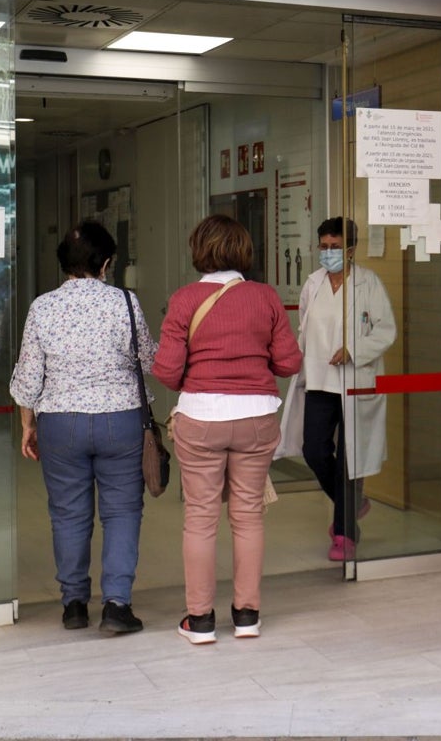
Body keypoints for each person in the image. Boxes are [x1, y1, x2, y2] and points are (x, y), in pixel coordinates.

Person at [152, 214, 302, 645]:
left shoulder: (184, 299)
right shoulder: (266, 297)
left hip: (201, 419)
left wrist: (200, 382)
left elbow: (166, 370)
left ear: (198, 251)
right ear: (244, 251)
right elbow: (289, 363)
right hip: (256, 418)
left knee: (200, 519)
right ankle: (247, 615)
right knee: (248, 515)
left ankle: (199, 621)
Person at [9, 221, 157, 636]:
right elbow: (148, 361)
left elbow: (27, 378)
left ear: (64, 265)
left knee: (69, 515)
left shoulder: (43, 307)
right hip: (121, 420)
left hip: (60, 423)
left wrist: (28, 425)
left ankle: (74, 604)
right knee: (122, 511)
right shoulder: (125, 303)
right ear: (106, 263)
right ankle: (116, 605)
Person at [276, 217, 396, 561]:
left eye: (335, 247)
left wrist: (353, 349)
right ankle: (354, 504)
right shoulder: (312, 283)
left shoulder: (368, 283)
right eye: (324, 247)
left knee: (348, 458)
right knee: (314, 450)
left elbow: (386, 331)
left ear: (351, 249)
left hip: (355, 381)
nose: (328, 253)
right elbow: (304, 327)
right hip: (317, 380)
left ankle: (344, 534)